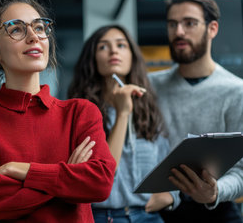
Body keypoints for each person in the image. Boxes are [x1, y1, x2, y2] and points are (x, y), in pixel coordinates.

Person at [0, 0, 116, 222]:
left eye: (39, 27)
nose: (34, 36)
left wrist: (21, 170)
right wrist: (67, 178)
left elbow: (100, 184)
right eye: (16, 29)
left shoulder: (81, 112)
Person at [68, 25, 180, 223]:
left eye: (121, 45)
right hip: (102, 217)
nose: (113, 51)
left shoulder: (149, 109)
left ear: (132, 56)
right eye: (103, 47)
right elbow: (100, 176)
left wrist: (172, 196)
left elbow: (168, 165)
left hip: (148, 216)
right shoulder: (81, 113)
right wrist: (122, 113)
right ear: (92, 59)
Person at [149, 0, 243, 222]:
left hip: (217, 208)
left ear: (212, 29)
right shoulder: (149, 86)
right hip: (162, 208)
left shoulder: (237, 91)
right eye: (173, 24)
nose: (179, 32)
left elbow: (241, 171)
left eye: (189, 23)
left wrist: (214, 192)